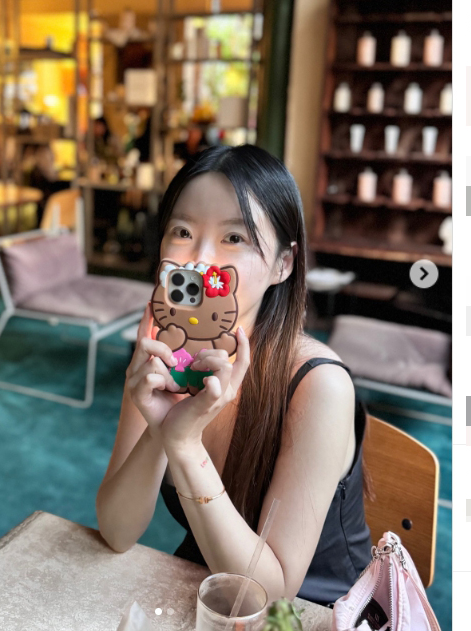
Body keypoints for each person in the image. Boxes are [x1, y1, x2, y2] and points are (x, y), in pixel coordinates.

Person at [96, 144, 372, 606]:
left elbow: (269, 595)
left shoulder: (319, 385)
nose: (200, 261)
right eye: (183, 231)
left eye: (234, 237)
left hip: (311, 611)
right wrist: (160, 430)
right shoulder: (162, 354)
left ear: (284, 263)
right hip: (206, 580)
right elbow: (117, 530)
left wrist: (184, 446)